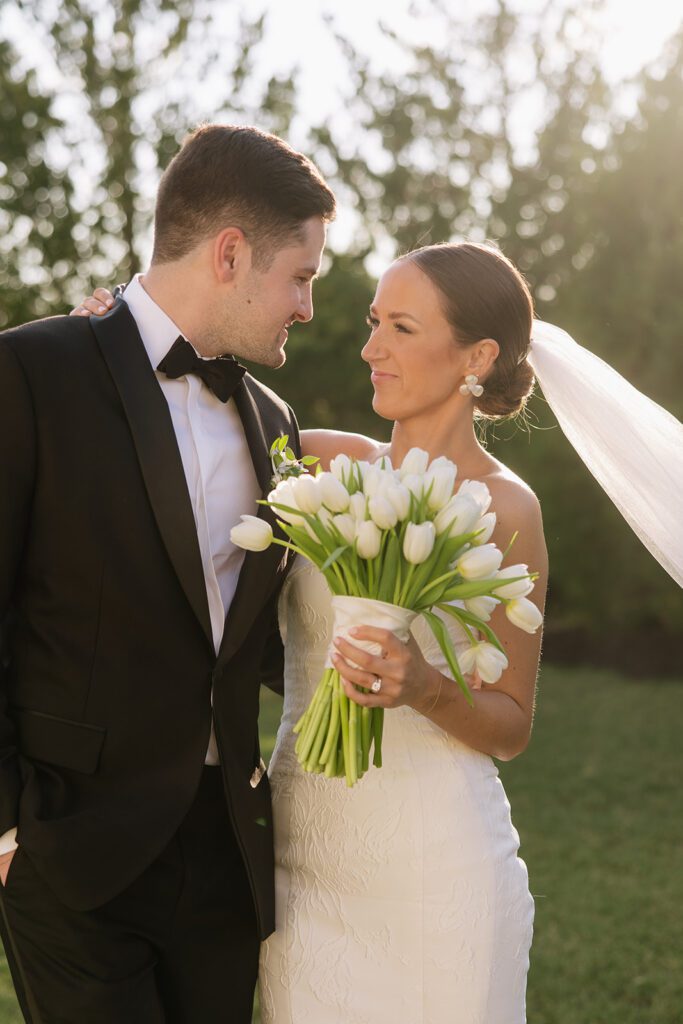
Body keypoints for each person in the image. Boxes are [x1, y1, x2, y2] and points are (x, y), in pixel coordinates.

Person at [72, 206, 683, 1024]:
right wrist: (110, 337)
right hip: (301, 865)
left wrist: (422, 685)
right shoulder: (312, 455)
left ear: (477, 357)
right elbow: (169, 426)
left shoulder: (509, 509)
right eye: (371, 324)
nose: (370, 348)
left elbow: (509, 726)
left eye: (398, 326)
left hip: (436, 871)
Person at [0, 123, 335, 1023]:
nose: (306, 306)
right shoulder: (30, 370)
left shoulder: (274, 419)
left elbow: (242, 629)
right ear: (231, 253)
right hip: (72, 850)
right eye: (300, 276)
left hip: (225, 850)